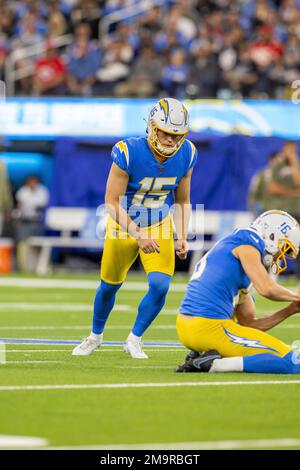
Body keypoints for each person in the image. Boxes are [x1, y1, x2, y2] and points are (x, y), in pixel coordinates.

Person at [73, 97, 198, 359]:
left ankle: (134, 339)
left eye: (177, 135)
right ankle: (95, 336)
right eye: (166, 133)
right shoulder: (128, 151)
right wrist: (138, 234)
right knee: (109, 285)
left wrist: (182, 235)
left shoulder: (188, 153)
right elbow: (111, 202)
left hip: (159, 222)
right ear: (152, 127)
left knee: (161, 285)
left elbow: (183, 200)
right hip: (124, 222)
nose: (172, 141)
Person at [176, 210, 300, 374]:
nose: (280, 256)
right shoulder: (248, 242)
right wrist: (295, 295)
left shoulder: (236, 245)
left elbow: (249, 323)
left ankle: (203, 355)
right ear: (272, 236)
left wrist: (291, 309)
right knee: (293, 363)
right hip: (208, 327)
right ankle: (214, 364)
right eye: (283, 248)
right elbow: (266, 288)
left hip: (187, 328)